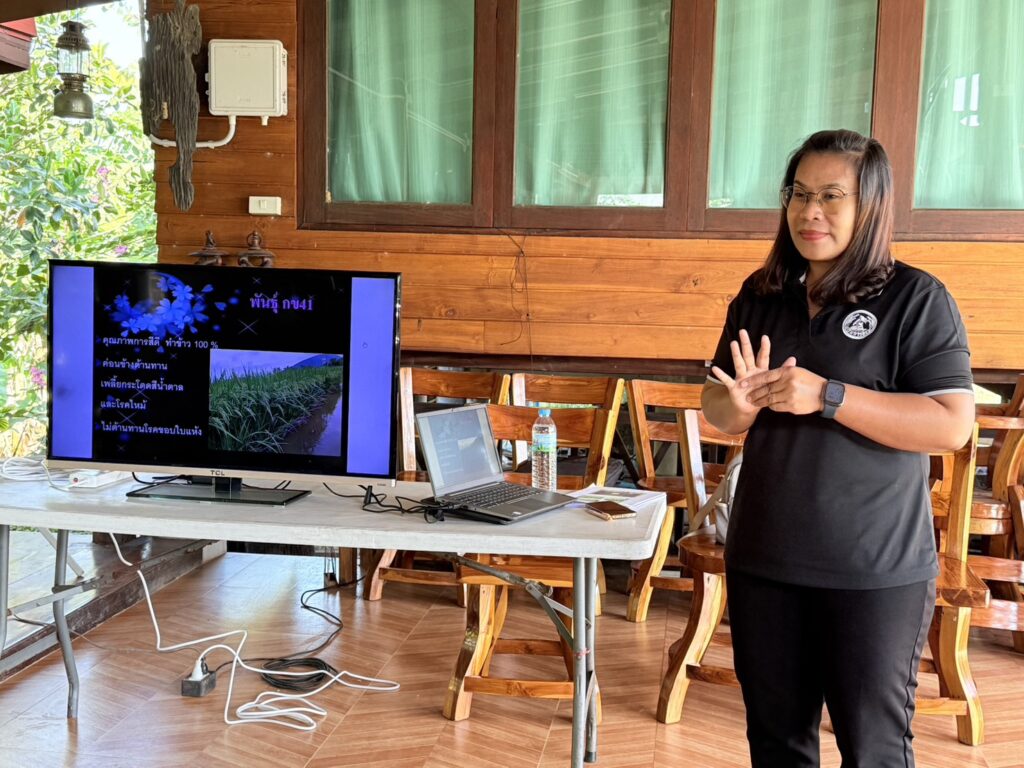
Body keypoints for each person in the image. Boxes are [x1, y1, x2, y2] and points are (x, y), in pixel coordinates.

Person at [703, 129, 975, 767]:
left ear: (871, 204)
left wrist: (829, 395)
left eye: (831, 196)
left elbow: (951, 425)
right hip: (765, 559)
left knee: (874, 750)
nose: (810, 211)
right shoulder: (761, 294)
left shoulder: (916, 299)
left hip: (874, 570)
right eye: (799, 194)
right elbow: (717, 406)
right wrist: (738, 405)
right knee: (776, 745)